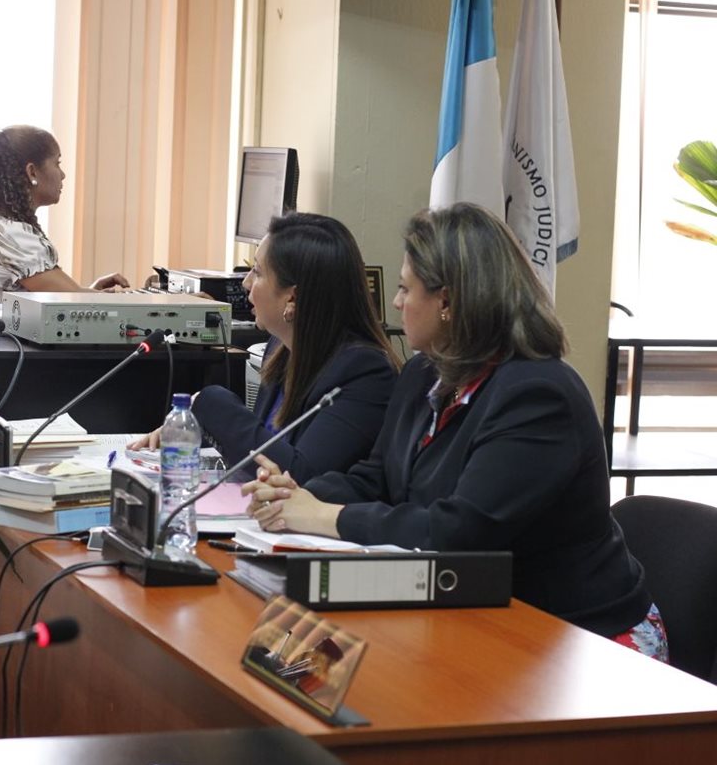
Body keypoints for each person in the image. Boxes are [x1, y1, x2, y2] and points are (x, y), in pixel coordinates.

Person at [244, 203, 666, 658]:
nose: (396, 303)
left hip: (581, 637)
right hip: (476, 612)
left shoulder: (538, 397)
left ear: (446, 302)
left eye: (405, 288)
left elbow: (458, 534)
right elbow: (377, 476)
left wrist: (323, 516)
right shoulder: (424, 373)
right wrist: (295, 495)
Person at [130, 213, 398, 484]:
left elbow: (298, 476)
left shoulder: (364, 373)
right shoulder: (280, 346)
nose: (246, 282)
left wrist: (209, 403)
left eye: (257, 272)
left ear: (292, 297)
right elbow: (264, 447)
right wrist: (190, 433)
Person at [0, 125, 129, 303]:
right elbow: (72, 301)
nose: (63, 175)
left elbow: (69, 297)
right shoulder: (6, 235)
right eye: (57, 163)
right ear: (32, 172)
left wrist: (87, 292)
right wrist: (125, 298)